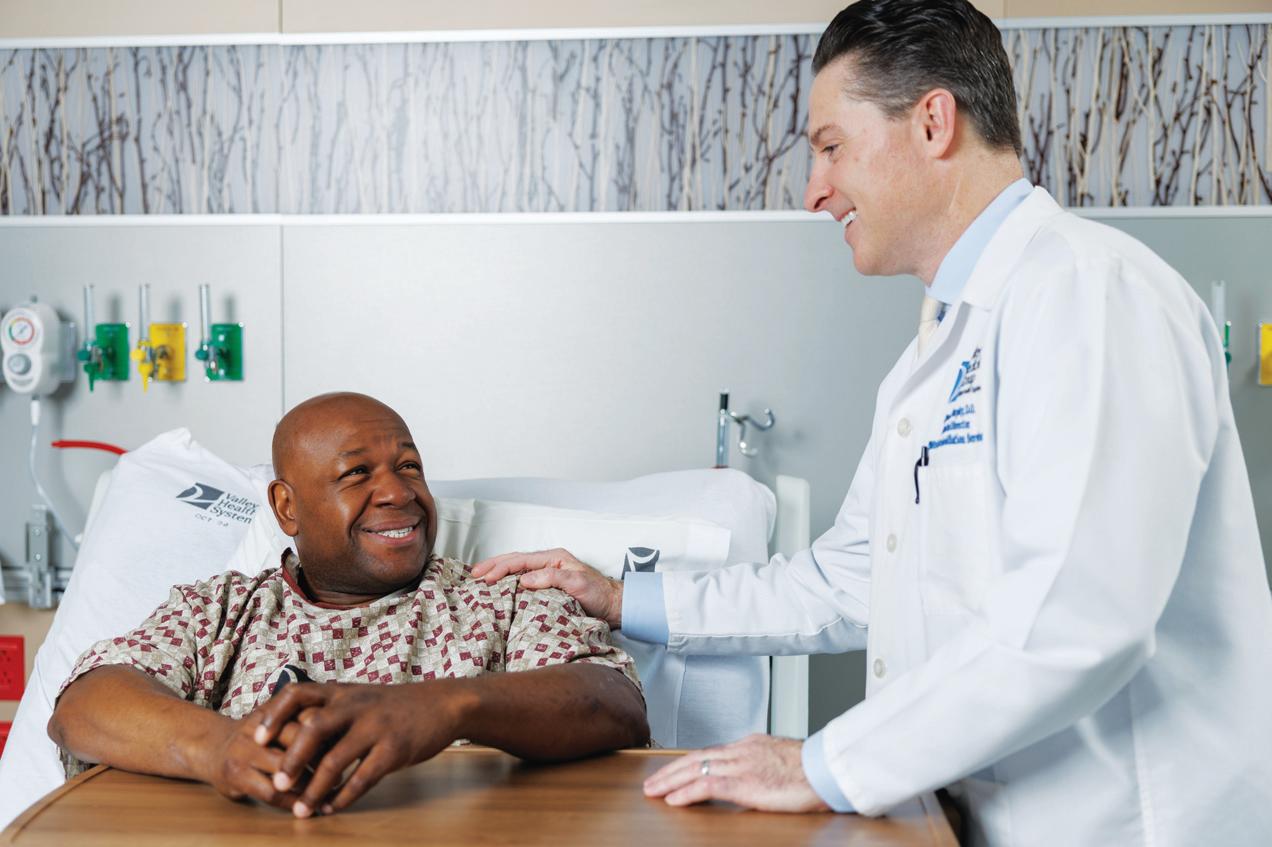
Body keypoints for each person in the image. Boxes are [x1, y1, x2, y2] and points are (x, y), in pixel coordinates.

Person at [471, 2, 1272, 844]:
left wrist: (821, 763)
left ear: (932, 123)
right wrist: (621, 596)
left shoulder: (1087, 293)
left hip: (1128, 824)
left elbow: (1079, 616)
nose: (814, 191)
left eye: (830, 147)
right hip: (983, 818)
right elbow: (847, 579)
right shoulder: (935, 353)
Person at [48, 392, 648, 819]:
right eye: (357, 473)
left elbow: (613, 702)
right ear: (287, 508)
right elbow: (86, 705)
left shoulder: (503, 597)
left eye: (409, 466)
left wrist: (446, 707)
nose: (397, 492)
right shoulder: (221, 611)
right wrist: (222, 748)